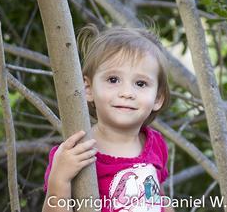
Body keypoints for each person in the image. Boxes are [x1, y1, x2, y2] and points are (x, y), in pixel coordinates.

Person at [43, 24, 173, 212]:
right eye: (113, 80)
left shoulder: (155, 144)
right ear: (88, 89)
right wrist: (59, 180)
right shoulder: (73, 152)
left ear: (158, 98)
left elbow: (158, 198)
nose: (127, 93)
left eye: (140, 83)